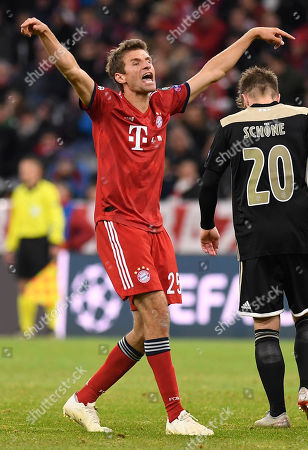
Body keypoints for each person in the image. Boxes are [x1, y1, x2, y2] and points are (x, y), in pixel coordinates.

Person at [20, 16, 293, 435]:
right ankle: (175, 415)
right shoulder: (105, 104)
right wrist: (44, 35)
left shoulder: (165, 104)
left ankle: (83, 400)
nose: (148, 64)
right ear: (119, 76)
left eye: (149, 58)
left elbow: (213, 71)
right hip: (118, 223)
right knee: (158, 316)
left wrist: (251, 35)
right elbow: (71, 67)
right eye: (136, 61)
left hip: (153, 227)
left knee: (145, 327)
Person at [199, 66, 308, 428]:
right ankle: (307, 387)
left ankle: (278, 414)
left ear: (244, 98)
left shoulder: (232, 124)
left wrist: (207, 225)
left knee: (266, 327)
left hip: (256, 240)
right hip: (300, 235)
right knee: (306, 318)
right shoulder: (302, 117)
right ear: (276, 94)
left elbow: (209, 181)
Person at [4, 156, 64, 333]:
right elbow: (14, 222)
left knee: (46, 283)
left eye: (28, 169)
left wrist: (55, 240)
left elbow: (56, 217)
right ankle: (26, 329)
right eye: (22, 170)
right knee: (23, 284)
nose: (24, 173)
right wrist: (11, 246)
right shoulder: (18, 193)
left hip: (42, 241)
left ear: (38, 171)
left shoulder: (48, 190)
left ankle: (53, 327)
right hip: (24, 242)